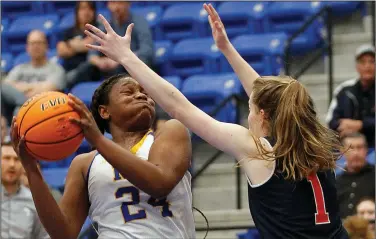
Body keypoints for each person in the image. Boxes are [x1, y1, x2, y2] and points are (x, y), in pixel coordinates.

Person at [84, 4, 349, 238]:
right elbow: (269, 97)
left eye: (250, 109)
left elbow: (179, 106)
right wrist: (226, 48)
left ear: (263, 116)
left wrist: (126, 57)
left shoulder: (259, 151)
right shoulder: (316, 146)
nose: (248, 116)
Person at [10, 74, 195, 238]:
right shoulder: (85, 164)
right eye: (129, 92)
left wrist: (98, 140)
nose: (141, 96)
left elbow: (159, 184)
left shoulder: (171, 131)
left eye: (145, 93)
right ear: (104, 111)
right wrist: (31, 169)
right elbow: (63, 234)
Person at [1, 30, 66, 123]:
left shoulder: (56, 69)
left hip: (44, 112)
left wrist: (21, 86)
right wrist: (36, 87)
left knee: (19, 110)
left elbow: (48, 90)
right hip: (22, 110)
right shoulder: (20, 68)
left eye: (39, 43)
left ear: (46, 46)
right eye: (32, 43)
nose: (36, 46)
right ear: (27, 48)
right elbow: (5, 86)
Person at [326, 44, 375, 146]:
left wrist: (360, 125)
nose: (367, 66)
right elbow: (331, 121)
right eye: (363, 62)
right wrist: (348, 129)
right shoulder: (344, 90)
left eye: (372, 61)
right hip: (348, 147)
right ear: (357, 66)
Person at [1, 142, 48, 239]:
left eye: (17, 159)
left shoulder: (34, 201)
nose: (12, 164)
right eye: (6, 158)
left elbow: (44, 236)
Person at [57, 1, 97, 89]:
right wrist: (81, 45)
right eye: (83, 8)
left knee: (87, 66)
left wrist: (71, 44)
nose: (86, 12)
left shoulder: (98, 30)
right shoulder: (69, 31)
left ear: (94, 12)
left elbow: (92, 44)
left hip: (89, 72)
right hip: (68, 70)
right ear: (77, 12)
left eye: (90, 9)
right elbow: (61, 51)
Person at [336, 133, 375, 218]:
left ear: (366, 150)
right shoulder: (335, 181)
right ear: (342, 151)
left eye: (360, 147)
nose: (356, 153)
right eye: (351, 148)